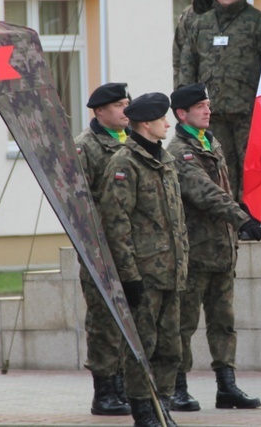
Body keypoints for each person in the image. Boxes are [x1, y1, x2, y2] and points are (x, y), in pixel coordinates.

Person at [166, 84, 261, 412]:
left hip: (222, 250)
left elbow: (225, 189)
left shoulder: (212, 142)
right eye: (200, 106)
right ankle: (177, 387)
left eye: (208, 104)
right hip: (196, 252)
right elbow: (205, 192)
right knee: (184, 323)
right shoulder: (180, 152)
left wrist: (243, 217)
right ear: (182, 114)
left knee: (223, 322)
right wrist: (242, 219)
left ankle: (227, 386)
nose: (208, 110)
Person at [98, 92, 188, 427]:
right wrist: (129, 276)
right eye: (163, 119)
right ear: (147, 124)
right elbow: (116, 224)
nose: (168, 123)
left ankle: (160, 405)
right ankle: (144, 411)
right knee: (143, 348)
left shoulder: (163, 159)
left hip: (171, 273)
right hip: (145, 275)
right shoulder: (125, 164)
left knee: (170, 349)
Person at [179, 0, 261, 203]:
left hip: (248, 110)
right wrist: (185, 105)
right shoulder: (201, 24)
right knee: (219, 165)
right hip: (211, 112)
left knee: (251, 163)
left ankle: (252, 213)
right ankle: (228, 215)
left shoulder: (258, 22)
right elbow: (187, 64)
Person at [74, 83, 132, 416]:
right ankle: (105, 390)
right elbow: (78, 202)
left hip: (131, 247)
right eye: (119, 105)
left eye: (127, 103)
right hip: (101, 248)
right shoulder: (85, 147)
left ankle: (122, 384)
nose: (126, 110)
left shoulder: (132, 141)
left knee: (129, 318)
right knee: (104, 319)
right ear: (99, 112)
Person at [172, 0, 226, 88]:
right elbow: (178, 58)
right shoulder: (190, 14)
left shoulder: (239, 10)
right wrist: (180, 94)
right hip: (200, 93)